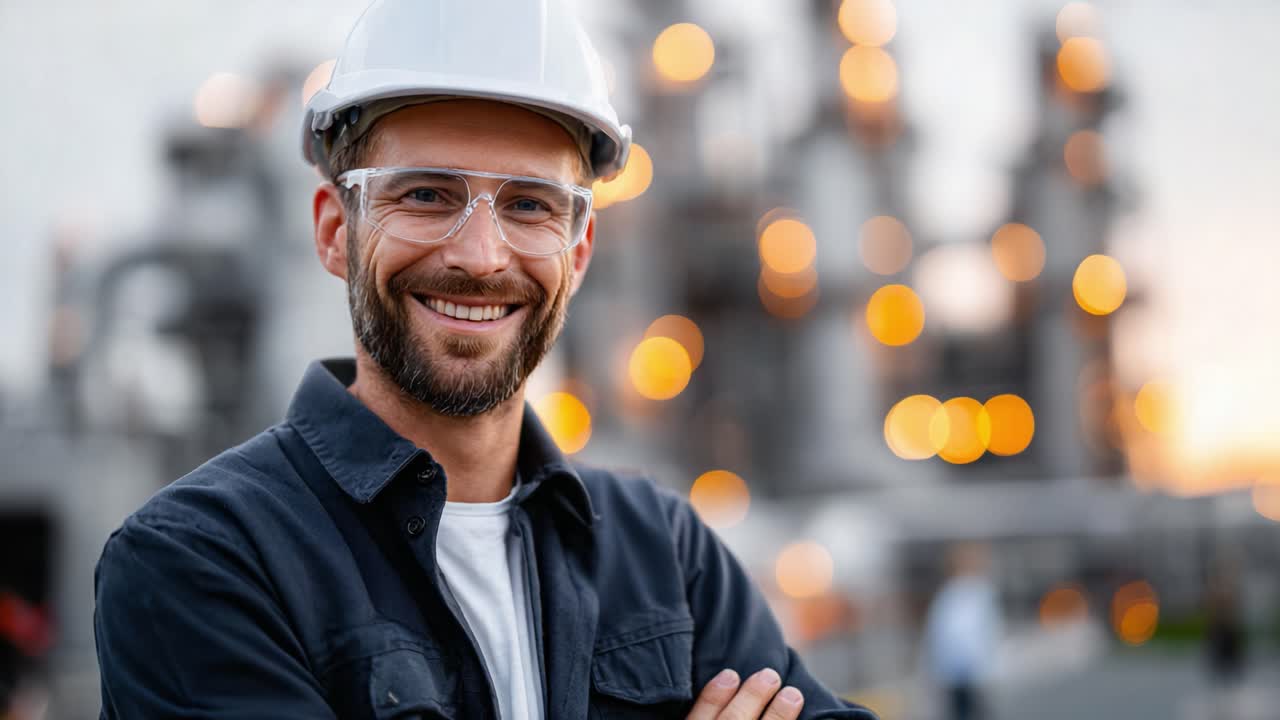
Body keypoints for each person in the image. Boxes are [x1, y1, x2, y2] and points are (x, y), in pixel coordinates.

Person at [92, 1, 878, 718]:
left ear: (579, 252)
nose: (479, 255)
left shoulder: (664, 552)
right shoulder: (201, 561)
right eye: (425, 194)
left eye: (529, 205)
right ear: (335, 231)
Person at [921, 543, 1002, 720]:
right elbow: (938, 636)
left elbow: (987, 632)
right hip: (954, 671)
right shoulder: (949, 595)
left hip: (973, 670)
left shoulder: (979, 593)